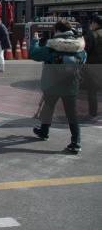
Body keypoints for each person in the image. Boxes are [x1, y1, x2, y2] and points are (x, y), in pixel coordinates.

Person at [30, 20, 87, 153]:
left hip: (52, 85)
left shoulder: (52, 46)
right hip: (71, 85)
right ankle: (76, 142)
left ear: (57, 31)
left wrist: (35, 41)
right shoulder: (79, 46)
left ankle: (44, 132)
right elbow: (83, 60)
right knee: (72, 114)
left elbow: (34, 54)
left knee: (48, 108)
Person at [84, 15, 102, 117]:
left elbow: (86, 49)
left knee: (92, 91)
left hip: (94, 66)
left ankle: (93, 113)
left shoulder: (92, 35)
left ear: (95, 23)